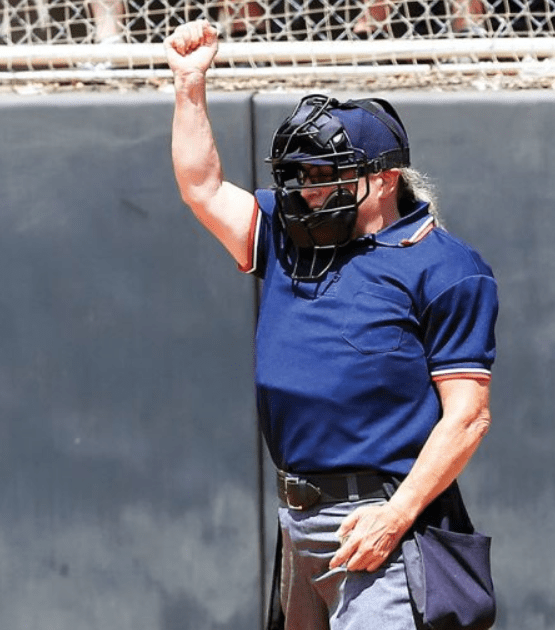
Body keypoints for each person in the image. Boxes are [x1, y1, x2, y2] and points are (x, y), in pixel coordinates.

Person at [165, 19, 498, 630]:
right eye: (302, 175)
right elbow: (202, 187)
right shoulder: (287, 235)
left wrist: (395, 517)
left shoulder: (445, 266)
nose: (308, 190)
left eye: (327, 175)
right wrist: (190, 84)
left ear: (385, 179)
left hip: (380, 521)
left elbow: (468, 417)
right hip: (298, 520)